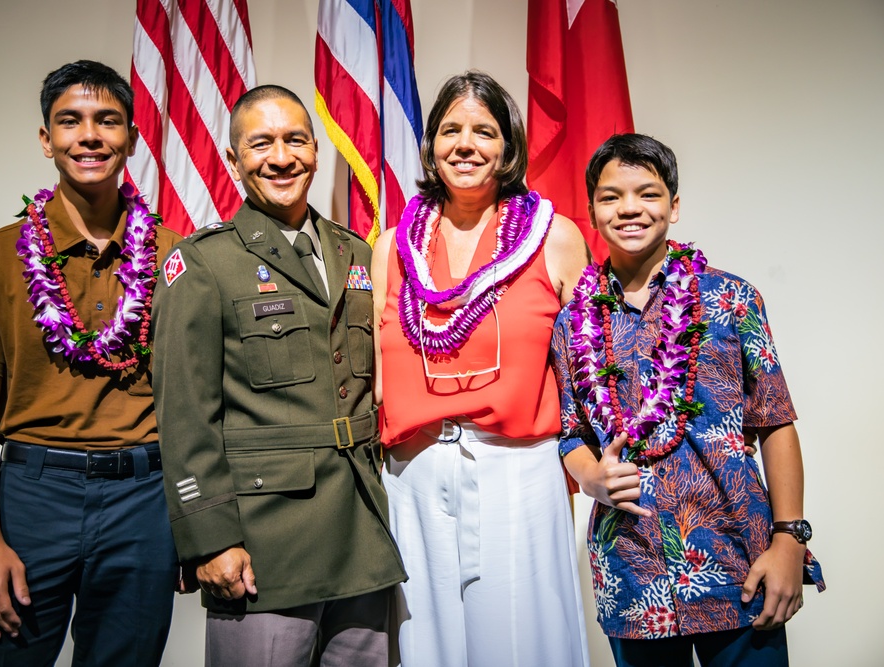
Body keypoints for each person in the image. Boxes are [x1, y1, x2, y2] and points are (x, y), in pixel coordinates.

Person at [0, 60, 183, 666]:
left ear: (131, 136)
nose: (89, 135)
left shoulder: (177, 257)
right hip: (30, 496)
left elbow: (198, 404)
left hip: (143, 498)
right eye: (70, 121)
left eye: (107, 121)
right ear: (47, 139)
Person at [151, 85, 406, 667]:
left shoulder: (357, 255)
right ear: (233, 159)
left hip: (361, 535)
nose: (281, 157)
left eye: (295, 140)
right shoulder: (203, 263)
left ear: (316, 150)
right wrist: (209, 539)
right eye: (260, 143)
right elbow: (186, 415)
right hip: (267, 544)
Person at [552, 133, 826, 667]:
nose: (630, 208)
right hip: (634, 574)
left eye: (647, 193)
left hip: (738, 564)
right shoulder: (571, 323)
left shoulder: (731, 298)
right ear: (591, 211)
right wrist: (589, 477)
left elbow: (774, 421)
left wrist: (789, 540)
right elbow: (571, 434)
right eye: (611, 197)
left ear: (674, 207)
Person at [371, 70, 590, 667]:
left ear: (509, 146)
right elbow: (377, 372)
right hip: (412, 469)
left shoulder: (555, 237)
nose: (465, 144)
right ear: (431, 145)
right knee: (426, 646)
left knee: (523, 642)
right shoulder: (392, 246)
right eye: (451, 130)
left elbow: (590, 376)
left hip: (517, 467)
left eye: (484, 131)